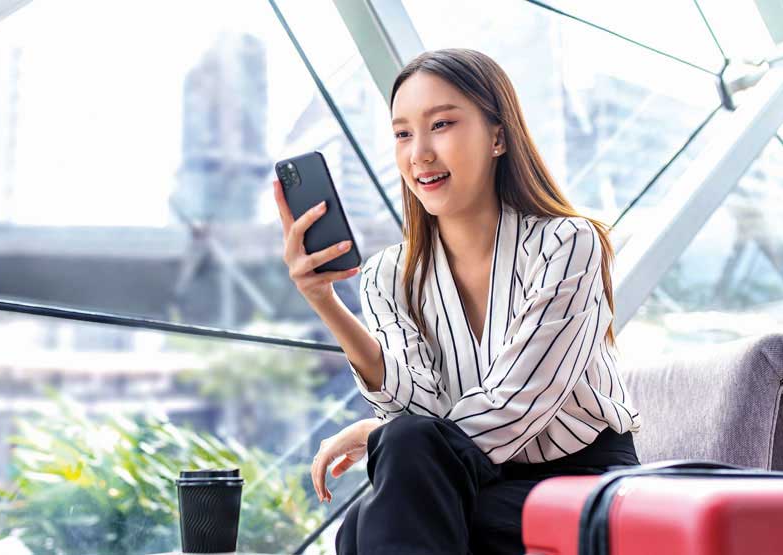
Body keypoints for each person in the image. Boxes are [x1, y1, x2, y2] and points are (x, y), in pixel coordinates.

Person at [273, 48, 642, 555]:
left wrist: (379, 434)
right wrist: (324, 301)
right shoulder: (388, 275)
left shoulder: (566, 243)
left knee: (366, 523)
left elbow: (518, 405)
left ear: (498, 137)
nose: (419, 153)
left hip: (578, 480)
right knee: (380, 499)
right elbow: (415, 409)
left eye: (441, 125)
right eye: (403, 134)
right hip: (461, 477)